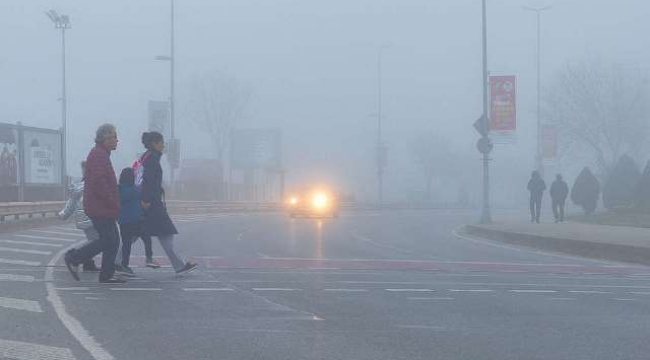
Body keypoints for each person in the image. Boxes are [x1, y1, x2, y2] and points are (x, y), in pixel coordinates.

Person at [64, 124, 125, 284]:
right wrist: (112, 200)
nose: (117, 140)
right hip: (100, 206)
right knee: (108, 239)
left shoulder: (101, 154)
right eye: (114, 137)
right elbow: (99, 183)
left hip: (102, 206)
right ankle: (74, 257)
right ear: (105, 138)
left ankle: (106, 274)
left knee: (113, 239)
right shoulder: (98, 155)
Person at [140, 131, 197, 275]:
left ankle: (179, 265)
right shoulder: (152, 158)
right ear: (154, 143)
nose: (163, 145)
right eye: (161, 142)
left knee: (142, 232)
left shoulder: (147, 157)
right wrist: (146, 200)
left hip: (150, 202)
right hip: (152, 203)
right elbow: (148, 181)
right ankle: (179, 265)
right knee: (164, 233)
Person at [115, 167, 160, 277]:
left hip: (123, 221)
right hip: (136, 220)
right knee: (146, 237)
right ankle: (149, 258)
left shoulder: (119, 190)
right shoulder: (135, 190)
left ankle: (124, 266)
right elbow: (143, 203)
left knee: (126, 245)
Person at [58, 161, 100, 272]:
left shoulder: (80, 185)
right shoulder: (90, 185)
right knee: (97, 240)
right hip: (90, 217)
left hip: (84, 218)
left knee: (92, 239)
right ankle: (74, 254)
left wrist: (63, 214)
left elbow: (71, 202)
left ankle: (88, 263)